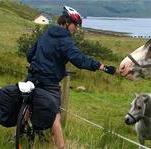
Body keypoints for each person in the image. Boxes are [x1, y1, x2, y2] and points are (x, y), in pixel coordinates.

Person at [21, 6, 116, 149]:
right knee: (55, 116)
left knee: (26, 105)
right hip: (49, 82)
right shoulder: (65, 40)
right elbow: (79, 60)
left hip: (32, 75)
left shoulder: (46, 33)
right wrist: (101, 66)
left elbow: (29, 55)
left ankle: (16, 135)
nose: (76, 28)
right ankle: (61, 146)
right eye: (75, 25)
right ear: (66, 23)